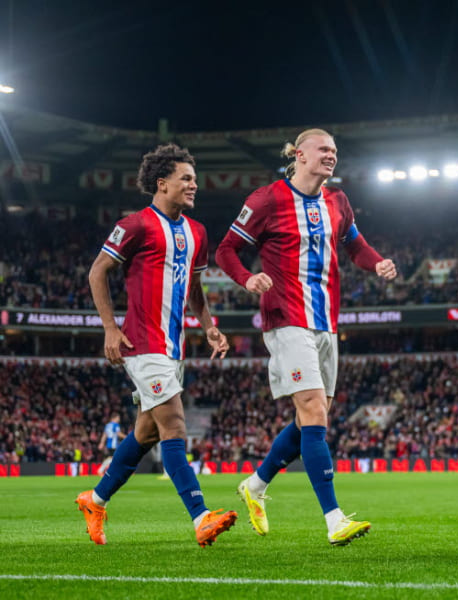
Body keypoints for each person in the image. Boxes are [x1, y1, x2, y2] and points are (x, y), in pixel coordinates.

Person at [216, 128, 397, 546]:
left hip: (327, 322)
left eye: (335, 151)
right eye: (323, 150)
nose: (331, 156)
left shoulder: (338, 201)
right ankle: (334, 519)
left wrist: (378, 263)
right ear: (299, 154)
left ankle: (256, 486)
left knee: (311, 419)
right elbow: (226, 249)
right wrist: (247, 278)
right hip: (285, 318)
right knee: (315, 412)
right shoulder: (266, 200)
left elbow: (355, 245)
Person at [77, 144, 237, 547]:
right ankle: (201, 517)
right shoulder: (135, 226)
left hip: (174, 346)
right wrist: (110, 329)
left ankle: (95, 500)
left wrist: (209, 327)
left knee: (147, 432)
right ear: (161, 183)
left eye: (194, 179)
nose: (193, 184)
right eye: (186, 178)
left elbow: (196, 290)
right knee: (174, 424)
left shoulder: (197, 232)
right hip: (142, 342)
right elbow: (98, 272)